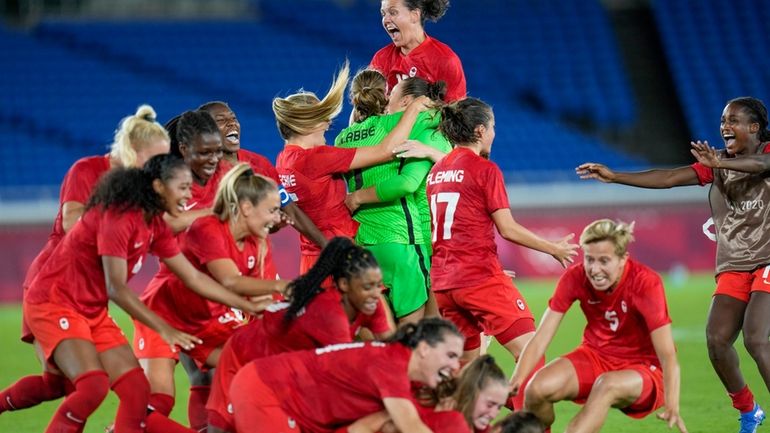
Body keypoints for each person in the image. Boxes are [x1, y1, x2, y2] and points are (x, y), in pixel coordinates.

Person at [15, 154, 263, 433]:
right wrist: (165, 329)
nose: (188, 195)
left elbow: (192, 277)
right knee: (92, 386)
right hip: (56, 301)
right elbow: (116, 288)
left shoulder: (154, 225)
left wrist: (244, 304)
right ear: (158, 187)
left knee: (134, 391)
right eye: (182, 187)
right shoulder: (120, 218)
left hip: (90, 309)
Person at [577, 96, 770, 432]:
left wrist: (720, 165)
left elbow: (759, 167)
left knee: (756, 338)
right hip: (734, 263)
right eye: (724, 120)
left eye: (734, 120)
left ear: (754, 127)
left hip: (768, 259)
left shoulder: (763, 155)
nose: (725, 126)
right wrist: (615, 176)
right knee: (716, 340)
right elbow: (668, 178)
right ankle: (749, 410)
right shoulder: (717, 162)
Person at [0, 104, 170, 417]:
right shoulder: (88, 170)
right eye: (155, 159)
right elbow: (70, 222)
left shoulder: (143, 192)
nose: (160, 167)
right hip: (55, 282)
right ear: (133, 151)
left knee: (59, 385)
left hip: (89, 293)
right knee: (88, 385)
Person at [427, 97, 578, 410]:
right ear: (481, 130)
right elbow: (507, 228)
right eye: (493, 127)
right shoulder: (484, 169)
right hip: (478, 277)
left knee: (467, 371)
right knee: (531, 351)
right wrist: (553, 248)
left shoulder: (437, 171)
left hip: (444, 284)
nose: (495, 133)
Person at [133, 162, 286, 433]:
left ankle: (213, 425)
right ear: (247, 208)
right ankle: (131, 423)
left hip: (204, 317)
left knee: (252, 364)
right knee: (160, 401)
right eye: (272, 211)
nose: (278, 220)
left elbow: (267, 292)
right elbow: (231, 281)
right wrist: (288, 289)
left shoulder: (258, 241)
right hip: (162, 314)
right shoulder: (209, 228)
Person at [510, 219, 686, 433]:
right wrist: (517, 380)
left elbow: (667, 356)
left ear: (623, 259)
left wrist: (673, 404)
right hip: (595, 355)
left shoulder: (645, 283)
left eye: (604, 261)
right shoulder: (575, 277)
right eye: (589, 260)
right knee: (536, 390)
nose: (594, 269)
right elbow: (540, 340)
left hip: (644, 370)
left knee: (606, 384)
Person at [206, 236, 395, 433]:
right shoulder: (330, 314)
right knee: (224, 428)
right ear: (344, 285)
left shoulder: (369, 302)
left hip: (282, 369)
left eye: (378, 285)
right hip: (244, 356)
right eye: (368, 286)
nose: (376, 294)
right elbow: (344, 380)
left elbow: (394, 352)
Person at [273, 63, 429, 275]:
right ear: (307, 124)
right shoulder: (317, 158)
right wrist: (414, 109)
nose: (328, 123)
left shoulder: (283, 160)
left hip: (311, 258)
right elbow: (386, 150)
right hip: (340, 255)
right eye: (323, 117)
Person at [335, 70, 448, 324]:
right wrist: (429, 105)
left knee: (376, 331)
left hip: (362, 243)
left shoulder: (341, 137)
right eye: (388, 92)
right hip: (402, 241)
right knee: (415, 335)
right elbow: (450, 117)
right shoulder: (401, 126)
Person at [229, 317, 462, 433]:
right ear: (424, 349)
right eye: (450, 355)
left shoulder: (395, 363)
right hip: (266, 390)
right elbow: (411, 428)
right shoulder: (391, 366)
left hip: (272, 390)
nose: (455, 366)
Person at [199, 100, 328, 250]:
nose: (231, 123)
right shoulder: (203, 173)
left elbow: (290, 210)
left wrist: (328, 247)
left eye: (233, 118)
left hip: (257, 257)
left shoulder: (260, 164)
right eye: (221, 120)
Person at [372, 0, 466, 102]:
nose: (386, 20)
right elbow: (368, 108)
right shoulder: (381, 58)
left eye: (393, 12)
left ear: (415, 15)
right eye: (383, 14)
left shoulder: (445, 60)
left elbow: (456, 113)